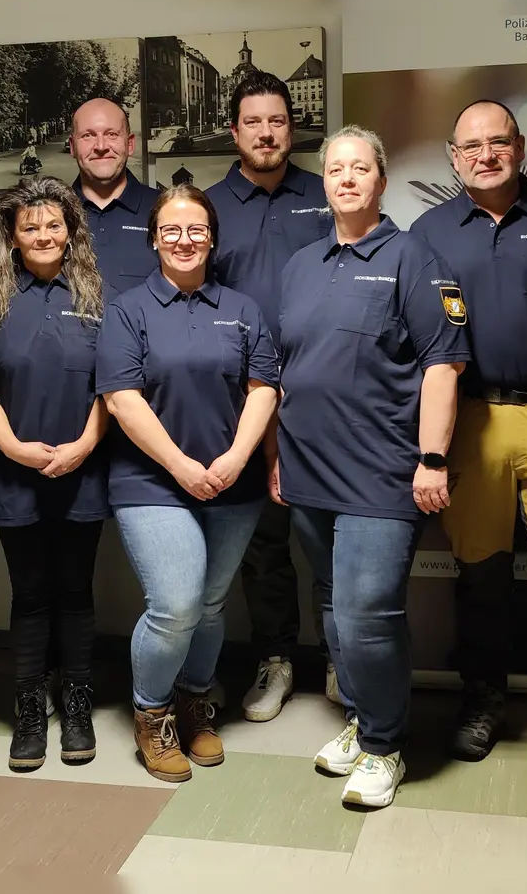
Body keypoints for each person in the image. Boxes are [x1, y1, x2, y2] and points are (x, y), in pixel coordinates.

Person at [274, 126, 470, 809]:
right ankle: (360, 718)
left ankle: (386, 746)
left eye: (361, 168)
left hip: (382, 472)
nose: (348, 179)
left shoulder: (415, 257)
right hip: (307, 469)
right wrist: (276, 455)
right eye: (336, 169)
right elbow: (284, 370)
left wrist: (433, 458)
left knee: (367, 611)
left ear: (381, 182)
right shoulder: (300, 266)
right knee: (331, 604)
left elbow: (444, 365)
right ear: (324, 182)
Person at [409, 100, 527, 765]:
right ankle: (482, 697)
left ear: (519, 145)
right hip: (471, 422)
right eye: (471, 147)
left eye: (498, 142)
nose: (485, 156)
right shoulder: (427, 231)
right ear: (453, 158)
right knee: (479, 574)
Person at [96, 184, 279, 782]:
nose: (183, 239)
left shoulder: (244, 308)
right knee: (174, 604)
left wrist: (233, 460)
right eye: (170, 229)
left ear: (212, 238)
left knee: (208, 603)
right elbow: (123, 400)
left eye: (196, 229)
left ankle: (196, 700)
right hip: (150, 482)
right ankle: (152, 713)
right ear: (153, 238)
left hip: (233, 481)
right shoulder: (127, 310)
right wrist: (180, 465)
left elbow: (263, 390)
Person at [0, 177, 110, 771]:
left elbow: (116, 386)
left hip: (84, 465)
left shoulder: (101, 296)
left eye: (55, 224)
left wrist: (82, 445)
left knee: (75, 589)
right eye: (31, 226)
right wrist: (16, 449)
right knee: (28, 593)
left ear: (72, 232)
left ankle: (75, 705)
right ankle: (28, 711)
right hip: (13, 470)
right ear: (12, 237)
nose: (44, 235)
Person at [204, 71, 334, 723]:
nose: (265, 132)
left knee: (334, 535)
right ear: (234, 131)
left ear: (292, 127)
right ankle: (276, 658)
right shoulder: (206, 208)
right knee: (264, 544)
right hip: (243, 406)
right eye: (252, 122)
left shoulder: (327, 195)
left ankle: (343, 661)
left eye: (277, 121)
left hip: (326, 401)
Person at [71, 98, 159, 299]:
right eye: (87, 135)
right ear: (72, 146)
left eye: (111, 134)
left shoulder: (166, 211)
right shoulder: (50, 216)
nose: (101, 146)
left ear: (129, 144)